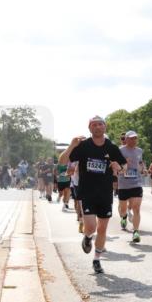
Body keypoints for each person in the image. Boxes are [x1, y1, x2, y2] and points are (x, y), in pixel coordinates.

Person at [59, 116, 124, 275]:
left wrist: (119, 167)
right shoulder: (83, 146)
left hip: (105, 193)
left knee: (102, 229)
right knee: (91, 227)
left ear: (105, 127)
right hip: (87, 192)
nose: (97, 127)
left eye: (100, 124)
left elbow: (123, 165)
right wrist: (71, 146)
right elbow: (62, 161)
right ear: (90, 128)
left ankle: (97, 259)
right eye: (94, 125)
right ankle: (88, 237)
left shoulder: (111, 147)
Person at [116, 130, 147, 244]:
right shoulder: (120, 150)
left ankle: (136, 232)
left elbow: (140, 162)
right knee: (123, 209)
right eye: (132, 138)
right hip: (123, 185)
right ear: (127, 139)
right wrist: (123, 164)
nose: (134, 140)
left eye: (136, 138)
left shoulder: (139, 151)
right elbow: (115, 164)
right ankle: (124, 217)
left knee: (136, 208)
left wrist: (143, 169)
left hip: (136, 183)